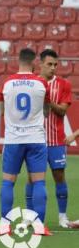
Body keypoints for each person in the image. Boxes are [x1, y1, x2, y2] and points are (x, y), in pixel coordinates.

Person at [0, 48, 52, 236]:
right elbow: (46, 111)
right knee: (39, 183)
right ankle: (39, 227)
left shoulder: (7, 83)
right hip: (36, 139)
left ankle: (5, 227)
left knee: (8, 182)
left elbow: (3, 110)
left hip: (13, 139)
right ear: (34, 62)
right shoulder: (41, 84)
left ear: (18, 60)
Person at [28, 49, 75, 228]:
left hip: (56, 140)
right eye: (49, 64)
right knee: (32, 179)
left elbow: (62, 110)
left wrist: (47, 101)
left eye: (55, 64)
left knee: (59, 176)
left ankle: (62, 216)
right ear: (40, 64)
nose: (53, 68)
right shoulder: (31, 83)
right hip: (35, 139)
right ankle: (31, 216)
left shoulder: (63, 84)